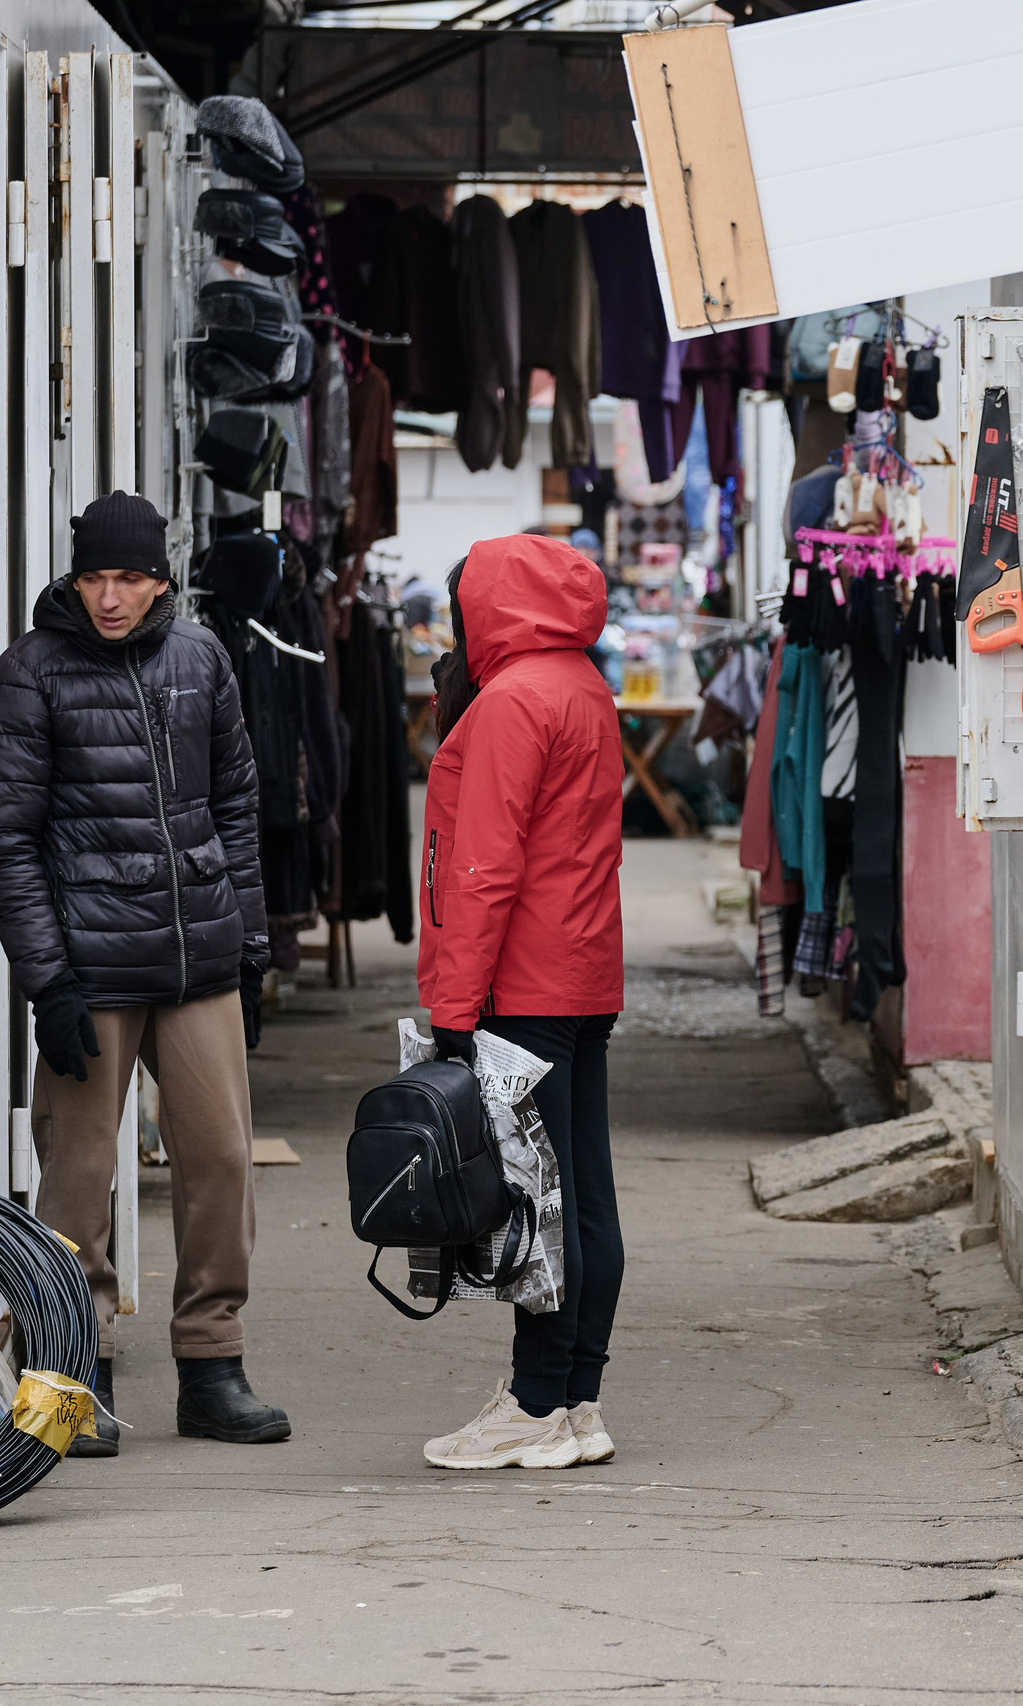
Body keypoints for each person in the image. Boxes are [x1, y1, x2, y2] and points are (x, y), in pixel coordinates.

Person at [0, 491, 290, 1455]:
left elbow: (236, 807)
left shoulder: (201, 657)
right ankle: (77, 1370)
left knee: (222, 1160)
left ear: (161, 578)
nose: (109, 597)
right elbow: (7, 843)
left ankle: (213, 1365)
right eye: (93, 578)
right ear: (74, 579)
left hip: (198, 957)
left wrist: (250, 947)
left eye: (128, 577)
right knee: (77, 1174)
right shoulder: (29, 672)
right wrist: (49, 983)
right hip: (90, 965)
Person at [414, 533, 626, 1471]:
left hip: (523, 982)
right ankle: (578, 1402)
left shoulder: (512, 700)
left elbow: (484, 865)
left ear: (488, 605)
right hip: (582, 972)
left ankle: (535, 1403)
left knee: (538, 1207)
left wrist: (453, 1005)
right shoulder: (582, 685)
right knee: (584, 1196)